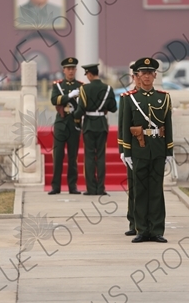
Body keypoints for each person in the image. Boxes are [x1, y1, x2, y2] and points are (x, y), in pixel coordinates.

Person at [122, 57, 174, 243]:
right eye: (143, 73)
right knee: (141, 190)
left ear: (155, 75)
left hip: (158, 148)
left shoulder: (164, 97)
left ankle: (157, 229)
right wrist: (126, 152)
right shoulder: (129, 99)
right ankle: (142, 229)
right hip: (139, 149)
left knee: (156, 191)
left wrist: (169, 151)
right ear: (137, 76)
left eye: (149, 73)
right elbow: (125, 126)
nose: (146, 76)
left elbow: (167, 124)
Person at [73, 63, 117, 195]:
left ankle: (91, 188)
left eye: (87, 74)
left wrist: (74, 117)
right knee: (101, 156)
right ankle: (101, 188)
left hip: (89, 126)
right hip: (102, 124)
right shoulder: (108, 89)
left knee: (90, 157)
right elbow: (114, 108)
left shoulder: (84, 89)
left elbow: (80, 110)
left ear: (90, 74)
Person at [48, 57, 84, 195]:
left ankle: (72, 186)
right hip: (61, 124)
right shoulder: (57, 85)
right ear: (63, 70)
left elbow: (83, 105)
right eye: (68, 69)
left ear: (75, 70)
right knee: (58, 155)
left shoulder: (81, 86)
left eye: (72, 68)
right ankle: (55, 186)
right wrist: (69, 96)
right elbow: (54, 100)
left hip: (74, 123)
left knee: (72, 157)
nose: (70, 71)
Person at [118, 62, 141, 236]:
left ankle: (147, 222)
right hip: (133, 148)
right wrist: (123, 150)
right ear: (133, 77)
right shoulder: (128, 97)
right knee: (133, 187)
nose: (142, 79)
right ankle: (133, 222)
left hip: (150, 148)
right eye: (138, 75)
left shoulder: (158, 97)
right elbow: (122, 126)